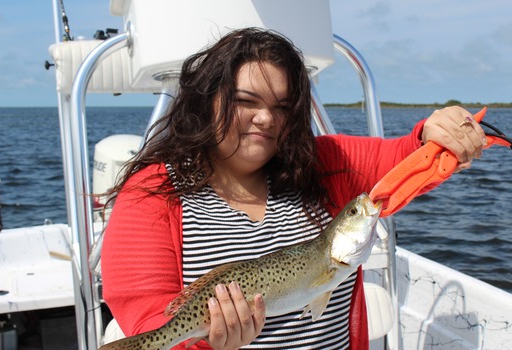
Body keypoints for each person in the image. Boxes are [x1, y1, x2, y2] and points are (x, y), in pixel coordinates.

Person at [101, 27, 486, 349]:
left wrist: (434, 136)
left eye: (283, 107)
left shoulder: (323, 164)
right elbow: (149, 316)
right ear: (208, 101)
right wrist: (207, 343)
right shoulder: (151, 192)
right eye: (245, 101)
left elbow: (403, 159)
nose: (267, 118)